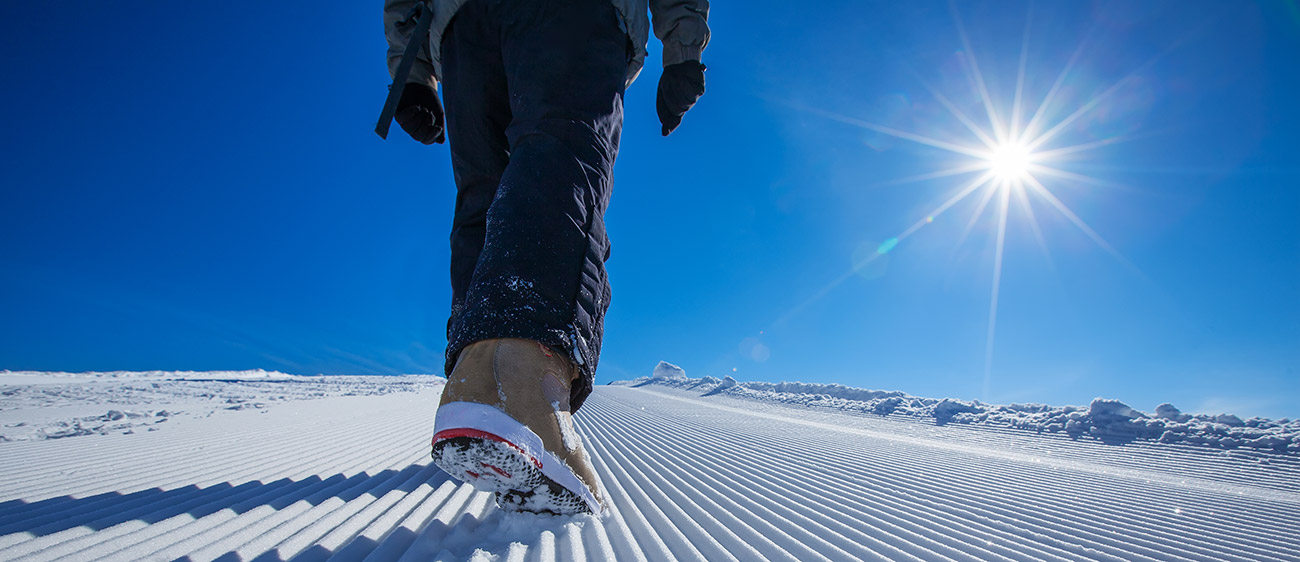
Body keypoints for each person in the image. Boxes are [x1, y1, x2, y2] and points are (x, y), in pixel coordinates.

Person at [381, 0, 710, 515]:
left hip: (461, 28)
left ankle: (475, 382)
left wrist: (411, 68)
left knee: (482, 201)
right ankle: (524, 388)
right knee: (563, 155)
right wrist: (682, 46)